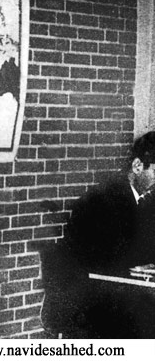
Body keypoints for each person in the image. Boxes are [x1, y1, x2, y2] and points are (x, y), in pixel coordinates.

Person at [43, 131, 155, 338]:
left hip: (122, 295)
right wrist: (139, 265)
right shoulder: (103, 201)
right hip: (94, 303)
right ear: (138, 166)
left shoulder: (144, 200)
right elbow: (100, 259)